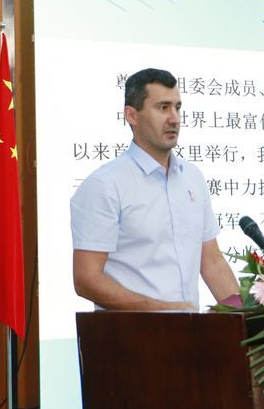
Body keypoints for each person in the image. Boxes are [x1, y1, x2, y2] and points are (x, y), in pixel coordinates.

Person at [71, 68, 239, 310]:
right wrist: (161, 309)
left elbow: (211, 262)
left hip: (190, 329)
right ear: (132, 115)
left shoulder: (192, 178)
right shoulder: (105, 185)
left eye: (177, 107)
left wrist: (246, 318)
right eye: (163, 108)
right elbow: (87, 279)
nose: (174, 119)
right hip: (133, 331)